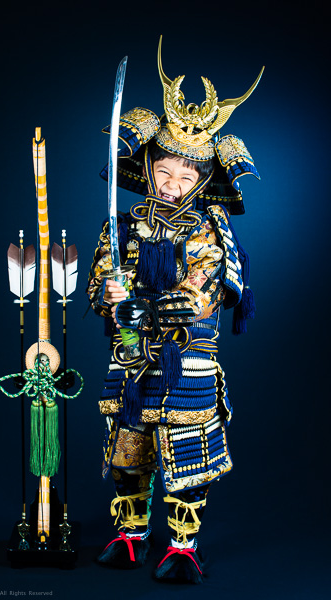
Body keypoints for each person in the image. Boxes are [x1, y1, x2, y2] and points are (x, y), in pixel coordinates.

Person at [87, 40, 263, 583]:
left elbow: (205, 289)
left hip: (185, 360)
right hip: (132, 357)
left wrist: (157, 303)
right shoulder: (122, 226)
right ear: (150, 165)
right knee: (128, 453)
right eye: (165, 172)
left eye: (187, 178)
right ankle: (130, 534)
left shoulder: (210, 227)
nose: (173, 185)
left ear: (204, 180)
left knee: (188, 458)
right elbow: (97, 285)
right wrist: (110, 295)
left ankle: (184, 545)